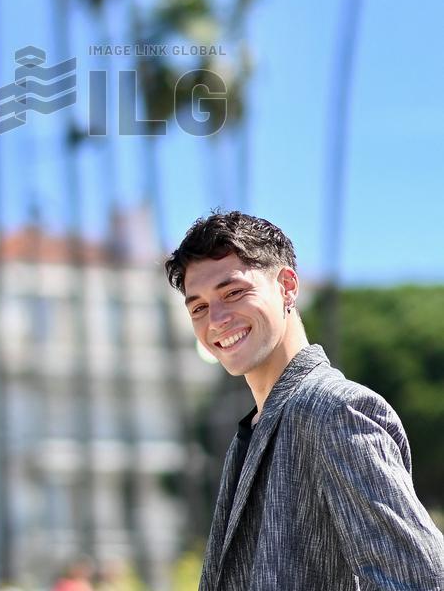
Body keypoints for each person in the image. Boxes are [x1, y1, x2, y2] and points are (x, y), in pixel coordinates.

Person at [165, 209, 444, 591]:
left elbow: (421, 579)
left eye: (233, 293)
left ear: (287, 287)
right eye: (198, 307)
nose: (215, 320)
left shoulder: (334, 410)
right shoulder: (252, 433)